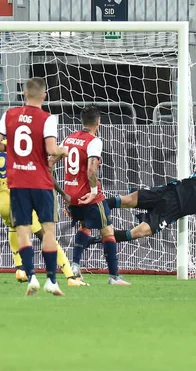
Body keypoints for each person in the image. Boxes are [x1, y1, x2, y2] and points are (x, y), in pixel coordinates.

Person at [0, 77, 68, 296]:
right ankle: (52, 280)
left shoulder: (9, 115)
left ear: (24, 94)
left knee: (23, 231)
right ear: (44, 96)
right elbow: (51, 149)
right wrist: (63, 151)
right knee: (48, 231)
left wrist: (11, 148)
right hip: (41, 183)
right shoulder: (47, 119)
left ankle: (31, 276)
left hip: (18, 183)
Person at [0, 140, 88, 287]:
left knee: (13, 227)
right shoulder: (24, 148)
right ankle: (70, 277)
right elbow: (45, 174)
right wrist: (62, 193)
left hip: (3, 202)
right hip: (21, 198)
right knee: (47, 237)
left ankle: (19, 268)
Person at [52, 105, 131, 286]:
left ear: (82, 120)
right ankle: (114, 277)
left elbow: (50, 163)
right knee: (108, 232)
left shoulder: (68, 138)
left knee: (84, 227)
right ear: (98, 122)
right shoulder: (94, 141)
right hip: (89, 196)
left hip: (71, 195)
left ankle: (76, 266)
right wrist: (94, 191)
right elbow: (91, 168)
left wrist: (62, 192)